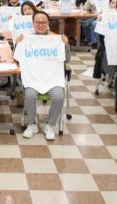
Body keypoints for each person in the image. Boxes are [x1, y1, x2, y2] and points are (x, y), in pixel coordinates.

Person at [15, 11, 70, 140]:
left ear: (48, 23)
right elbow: (17, 59)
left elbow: (67, 59)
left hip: (53, 79)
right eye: (37, 22)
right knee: (29, 95)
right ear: (33, 24)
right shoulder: (26, 39)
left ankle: (50, 125)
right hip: (33, 78)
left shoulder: (57, 39)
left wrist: (66, 44)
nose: (40, 25)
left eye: (43, 22)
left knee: (59, 97)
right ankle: (31, 124)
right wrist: (18, 44)